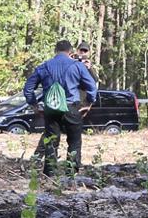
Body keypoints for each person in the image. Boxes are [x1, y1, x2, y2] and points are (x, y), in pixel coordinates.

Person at [24, 40, 100, 175]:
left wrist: (34, 105)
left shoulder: (44, 66)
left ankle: (50, 174)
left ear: (55, 50)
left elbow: (28, 88)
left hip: (51, 109)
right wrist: (88, 104)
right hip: (72, 107)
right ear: (70, 51)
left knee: (51, 141)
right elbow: (92, 87)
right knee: (74, 141)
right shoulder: (77, 66)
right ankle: (71, 174)